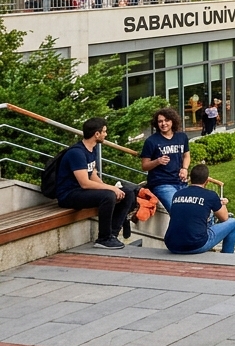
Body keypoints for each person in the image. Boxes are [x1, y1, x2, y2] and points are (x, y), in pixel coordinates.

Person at [55, 117, 138, 250]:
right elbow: (85, 183)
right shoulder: (76, 153)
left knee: (127, 193)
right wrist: (110, 190)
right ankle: (103, 238)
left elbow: (92, 175)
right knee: (108, 196)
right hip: (69, 194)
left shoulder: (92, 150)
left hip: (81, 192)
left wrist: (110, 189)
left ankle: (112, 234)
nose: (106, 134)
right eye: (104, 131)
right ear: (97, 134)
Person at [164, 164, 235, 254]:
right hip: (195, 245)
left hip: (172, 245)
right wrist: (222, 203)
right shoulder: (210, 195)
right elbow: (225, 218)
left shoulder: (177, 194)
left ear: (190, 179)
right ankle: (228, 257)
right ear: (206, 181)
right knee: (233, 223)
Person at [139, 107, 190, 211]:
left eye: (166, 120)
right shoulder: (151, 141)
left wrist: (184, 169)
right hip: (162, 184)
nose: (163, 124)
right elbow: (144, 166)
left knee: (193, 209)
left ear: (173, 121)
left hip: (181, 182)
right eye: (160, 121)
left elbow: (186, 155)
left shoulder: (182, 137)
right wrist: (158, 161)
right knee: (177, 210)